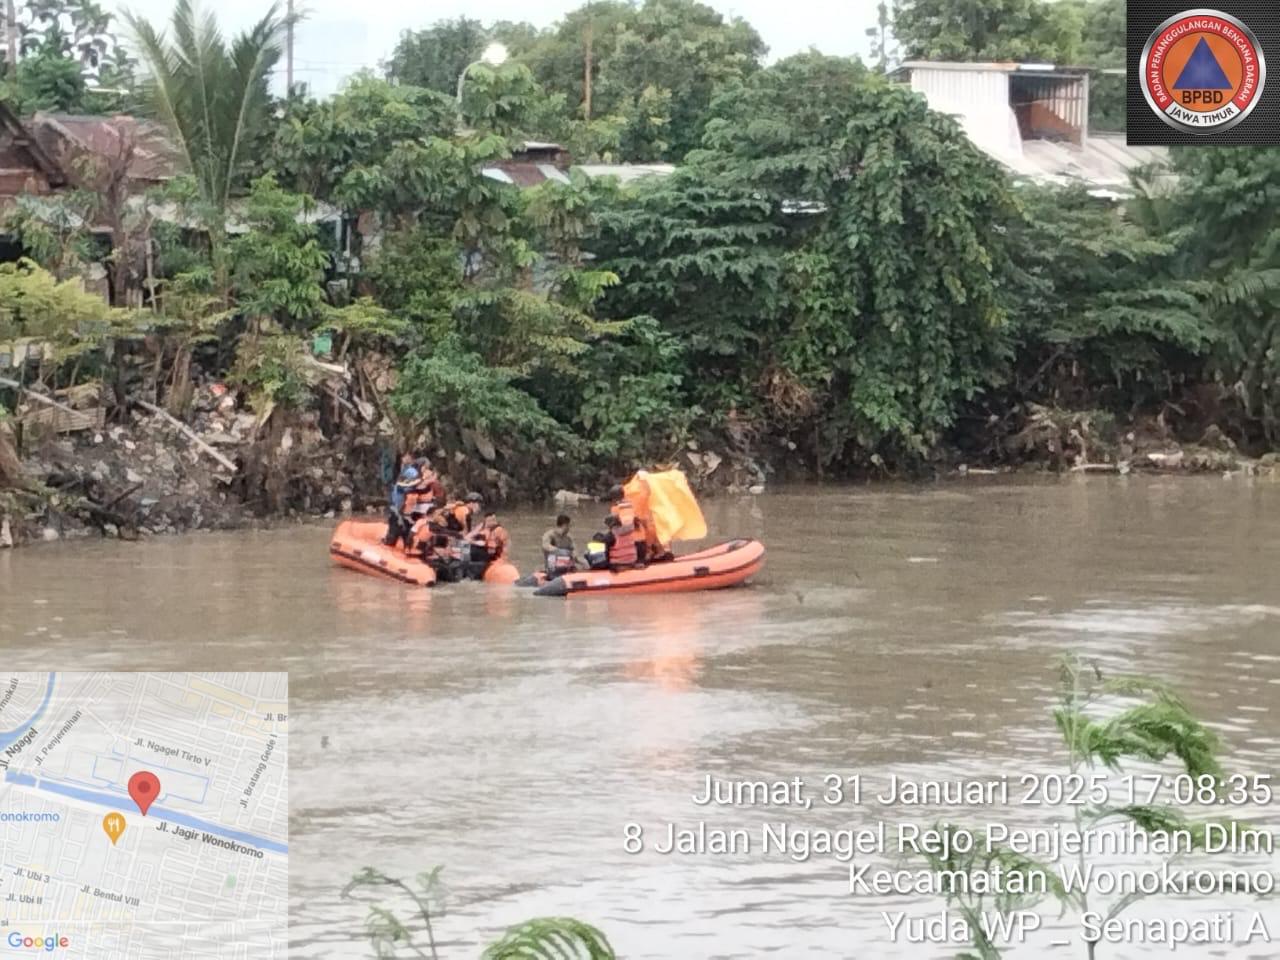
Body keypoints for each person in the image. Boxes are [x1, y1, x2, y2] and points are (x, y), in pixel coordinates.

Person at [383, 452, 421, 547]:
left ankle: (395, 542)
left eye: (406, 456)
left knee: (398, 527)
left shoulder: (411, 471)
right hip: (399, 505)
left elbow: (408, 487)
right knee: (399, 527)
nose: (403, 458)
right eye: (403, 456)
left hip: (403, 508)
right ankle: (401, 543)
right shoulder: (404, 469)